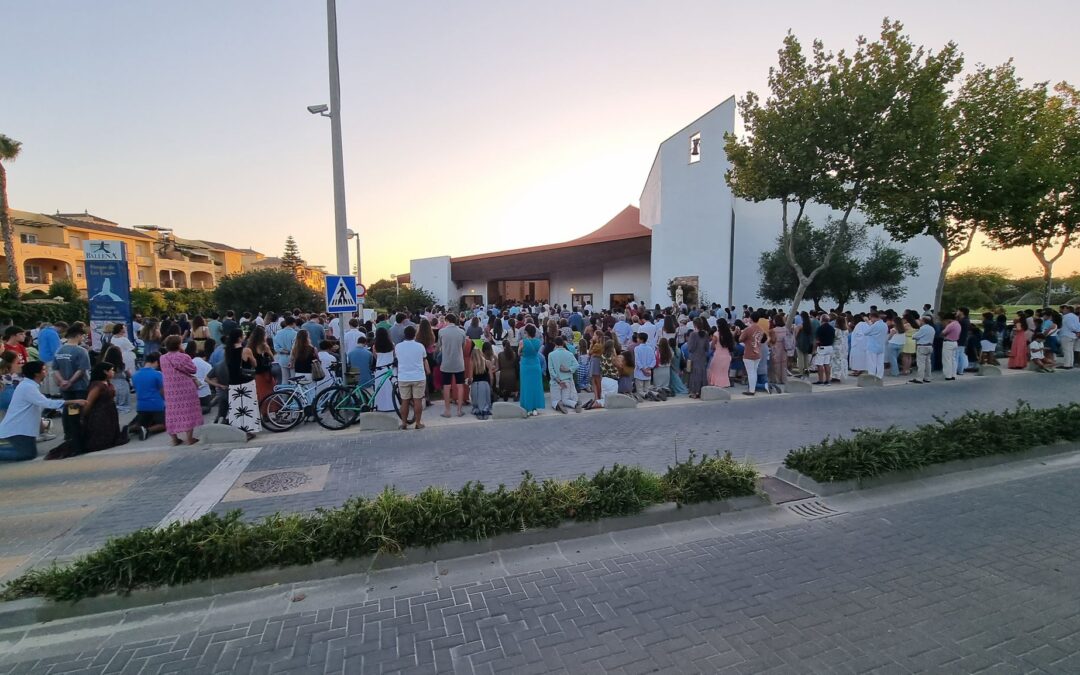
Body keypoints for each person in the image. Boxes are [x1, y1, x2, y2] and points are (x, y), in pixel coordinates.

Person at [0, 362, 80, 461]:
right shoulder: (27, 387)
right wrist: (73, 401)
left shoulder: (30, 385)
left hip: (22, 429)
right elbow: (47, 403)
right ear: (36, 373)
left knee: (26, 452)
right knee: (27, 454)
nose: (45, 372)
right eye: (43, 370)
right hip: (17, 429)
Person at [160, 334, 202, 445]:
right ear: (179, 345)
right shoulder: (184, 357)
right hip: (185, 388)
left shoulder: (162, 358)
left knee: (172, 413)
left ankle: (174, 439)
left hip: (170, 389)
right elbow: (193, 370)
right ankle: (189, 438)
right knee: (188, 411)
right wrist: (183, 353)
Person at [79, 362, 129, 453]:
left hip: (109, 412)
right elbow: (89, 402)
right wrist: (83, 417)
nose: (113, 372)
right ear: (105, 372)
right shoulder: (97, 385)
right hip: (99, 414)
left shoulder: (107, 383)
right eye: (112, 370)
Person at [394, 325, 429, 429]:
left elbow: (397, 358)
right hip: (418, 376)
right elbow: (424, 359)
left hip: (403, 377)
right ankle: (418, 423)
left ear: (404, 335)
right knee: (418, 400)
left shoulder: (398, 346)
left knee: (404, 401)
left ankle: (404, 423)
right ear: (415, 334)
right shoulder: (420, 346)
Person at [128, 352, 167, 441]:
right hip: (156, 404)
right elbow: (162, 391)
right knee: (164, 424)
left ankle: (131, 428)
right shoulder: (157, 374)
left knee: (143, 421)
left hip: (141, 405)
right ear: (156, 362)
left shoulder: (135, 375)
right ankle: (147, 430)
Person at [437, 314, 468, 418]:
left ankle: (447, 410)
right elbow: (463, 347)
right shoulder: (462, 332)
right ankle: (459, 410)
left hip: (446, 362)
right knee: (460, 385)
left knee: (446, 386)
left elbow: (440, 346)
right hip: (459, 362)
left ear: (446, 320)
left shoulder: (441, 332)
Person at [518, 324, 546, 416]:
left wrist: (523, 353)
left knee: (526, 386)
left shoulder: (523, 342)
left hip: (526, 365)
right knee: (536, 386)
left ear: (527, 332)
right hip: (535, 364)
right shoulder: (538, 342)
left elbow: (519, 353)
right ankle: (535, 408)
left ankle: (527, 408)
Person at [372, 327, 397, 412]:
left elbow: (375, 357)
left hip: (379, 369)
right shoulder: (392, 344)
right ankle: (392, 405)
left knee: (380, 389)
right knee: (391, 388)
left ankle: (381, 406)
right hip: (390, 369)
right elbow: (394, 355)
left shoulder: (375, 346)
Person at [467, 345, 494, 419]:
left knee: (476, 402)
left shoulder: (472, 363)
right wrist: (490, 386)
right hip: (485, 384)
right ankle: (485, 411)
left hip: (476, 385)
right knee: (486, 401)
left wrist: (468, 383)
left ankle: (478, 411)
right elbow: (491, 377)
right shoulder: (488, 362)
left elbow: (470, 378)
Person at [684, 319, 709, 398]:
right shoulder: (705, 334)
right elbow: (707, 347)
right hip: (702, 356)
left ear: (694, 325)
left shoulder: (693, 334)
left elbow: (690, 348)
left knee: (694, 375)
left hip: (694, 357)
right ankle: (702, 391)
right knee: (702, 374)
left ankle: (694, 392)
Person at [708, 321, 733, 388]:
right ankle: (724, 383)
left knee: (714, 370)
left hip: (718, 355)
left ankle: (716, 382)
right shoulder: (729, 334)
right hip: (727, 355)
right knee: (724, 372)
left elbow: (712, 346)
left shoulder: (716, 334)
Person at [911, 317, 936, 383]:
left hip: (922, 346)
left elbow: (915, 336)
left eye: (921, 320)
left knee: (921, 363)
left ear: (924, 321)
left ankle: (919, 378)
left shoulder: (923, 328)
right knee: (928, 363)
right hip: (930, 346)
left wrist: (914, 335)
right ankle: (928, 377)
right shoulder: (932, 328)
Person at [864, 312, 887, 380]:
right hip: (881, 346)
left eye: (871, 318)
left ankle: (871, 376)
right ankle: (879, 376)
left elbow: (866, 332)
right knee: (880, 363)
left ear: (874, 317)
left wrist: (868, 323)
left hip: (872, 346)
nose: (871, 320)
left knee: (872, 363)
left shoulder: (875, 325)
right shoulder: (885, 325)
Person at [940, 313, 960, 380]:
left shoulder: (951, 325)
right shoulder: (958, 324)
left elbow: (943, 333)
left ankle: (948, 375)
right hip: (955, 342)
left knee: (947, 359)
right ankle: (953, 374)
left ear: (948, 319)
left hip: (948, 343)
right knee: (953, 359)